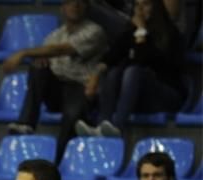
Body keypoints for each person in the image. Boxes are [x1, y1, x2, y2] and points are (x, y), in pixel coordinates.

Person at [3, 0, 107, 162]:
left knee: (72, 117)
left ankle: (58, 163)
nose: (75, 5)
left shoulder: (94, 31)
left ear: (86, 7)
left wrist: (23, 53)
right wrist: (41, 60)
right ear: (63, 8)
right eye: (70, 2)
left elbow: (61, 50)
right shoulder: (55, 35)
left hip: (80, 87)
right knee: (37, 66)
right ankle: (26, 123)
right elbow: (47, 54)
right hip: (57, 89)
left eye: (79, 2)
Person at [76, 0, 186, 137]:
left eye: (145, 4)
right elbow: (111, 57)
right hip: (140, 96)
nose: (139, 10)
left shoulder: (169, 32)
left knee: (133, 71)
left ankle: (118, 126)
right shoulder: (131, 32)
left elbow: (144, 59)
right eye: (137, 5)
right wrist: (95, 75)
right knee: (113, 72)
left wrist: (141, 32)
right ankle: (102, 124)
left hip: (166, 96)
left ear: (156, 7)